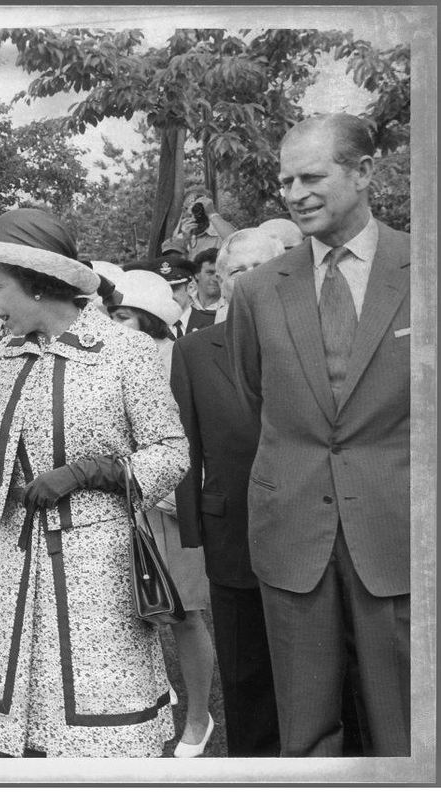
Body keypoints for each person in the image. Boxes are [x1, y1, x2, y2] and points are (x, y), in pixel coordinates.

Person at [0, 208, 189, 757]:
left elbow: (172, 453)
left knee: (105, 726)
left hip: (95, 564)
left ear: (37, 285)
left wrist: (95, 471)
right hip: (19, 557)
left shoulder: (124, 352)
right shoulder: (6, 356)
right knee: (30, 728)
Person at [227, 113, 411, 757]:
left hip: (399, 533)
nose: (295, 193)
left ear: (363, 173)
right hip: (294, 534)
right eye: (285, 181)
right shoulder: (254, 292)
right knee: (304, 736)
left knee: (409, 731)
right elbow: (256, 396)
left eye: (312, 176)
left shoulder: (424, 267)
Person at [171, 228, 285, 757]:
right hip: (230, 531)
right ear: (221, 278)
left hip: (310, 528)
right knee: (244, 672)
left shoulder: (309, 337)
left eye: (265, 267)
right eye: (240, 271)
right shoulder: (193, 352)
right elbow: (186, 447)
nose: (253, 279)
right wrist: (195, 531)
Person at [108, 270, 218, 758]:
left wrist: (176, 493)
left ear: (150, 317)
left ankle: (199, 718)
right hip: (124, 503)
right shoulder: (108, 360)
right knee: (136, 615)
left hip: (173, 505)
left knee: (186, 614)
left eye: (124, 315)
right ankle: (151, 702)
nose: (116, 324)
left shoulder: (178, 358)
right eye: (112, 315)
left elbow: (193, 441)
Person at [171, 187, 237, 260]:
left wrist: (212, 213)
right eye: (190, 208)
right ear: (184, 210)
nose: (195, 212)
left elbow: (237, 242)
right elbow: (174, 265)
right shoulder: (179, 238)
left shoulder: (221, 232)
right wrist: (184, 241)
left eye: (199, 208)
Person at [190, 247, 225, 313]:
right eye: (210, 273)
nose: (215, 279)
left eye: (219, 274)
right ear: (197, 274)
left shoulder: (231, 308)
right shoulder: (184, 301)